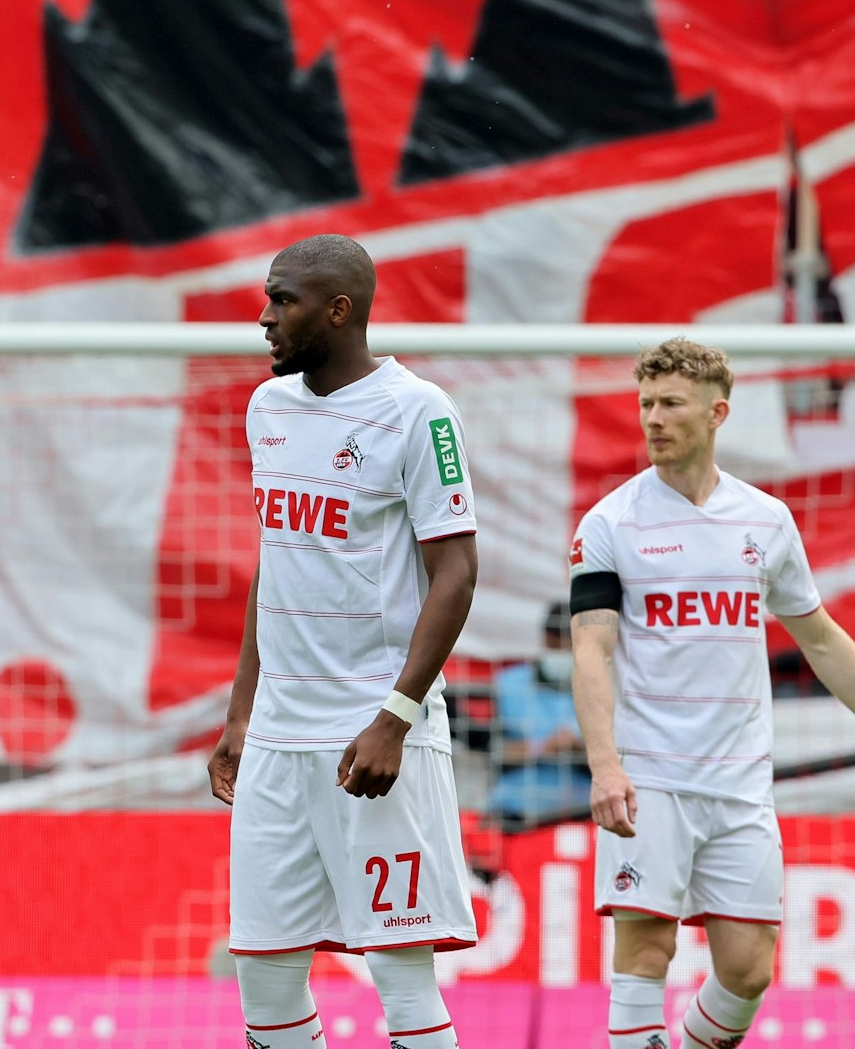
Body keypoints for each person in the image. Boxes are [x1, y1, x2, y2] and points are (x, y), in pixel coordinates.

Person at [568, 339, 855, 1049]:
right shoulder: (611, 523)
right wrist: (605, 764)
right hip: (652, 777)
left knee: (747, 973)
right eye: (645, 403)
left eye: (671, 403)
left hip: (740, 782)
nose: (653, 418)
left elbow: (822, 638)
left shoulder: (765, 520)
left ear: (717, 413)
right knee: (646, 954)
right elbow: (592, 647)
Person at [207, 234, 479, 1049]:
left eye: (281, 301)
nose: (264, 319)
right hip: (279, 739)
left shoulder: (418, 411)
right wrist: (240, 713)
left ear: (339, 310)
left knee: (398, 970)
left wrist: (396, 715)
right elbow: (277, 563)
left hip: (372, 731)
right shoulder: (268, 409)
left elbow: (457, 572)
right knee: (264, 967)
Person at [489, 600, 591, 829]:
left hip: (584, 815)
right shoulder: (509, 684)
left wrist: (579, 749)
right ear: (546, 638)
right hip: (517, 815)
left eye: (569, 644)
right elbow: (492, 752)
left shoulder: (599, 686)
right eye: (556, 642)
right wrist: (543, 746)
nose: (562, 650)